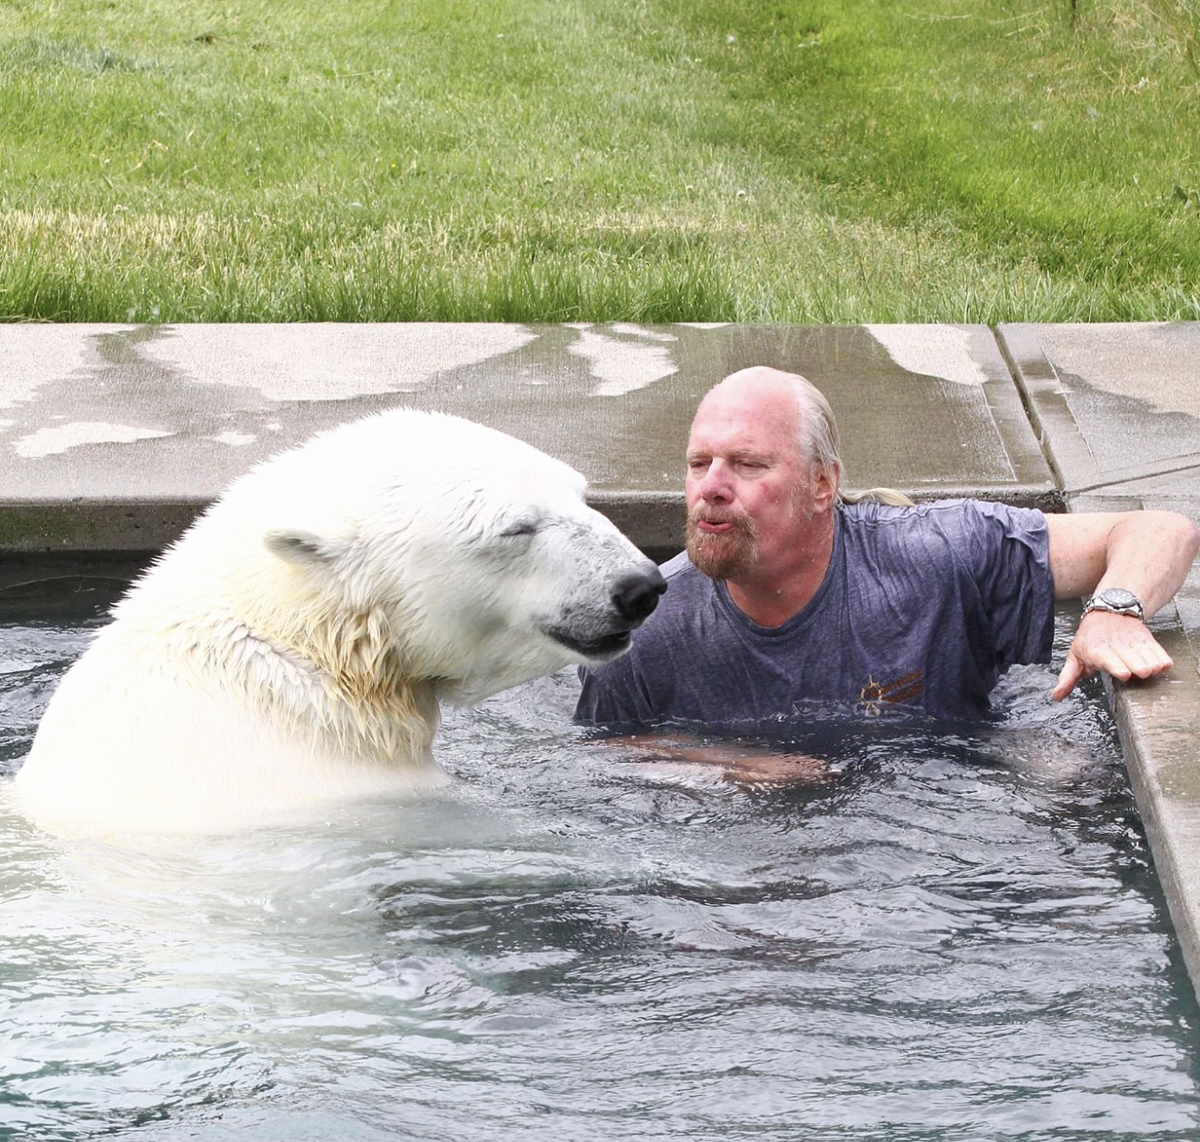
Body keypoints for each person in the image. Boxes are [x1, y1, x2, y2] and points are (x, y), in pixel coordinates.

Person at [575, 366, 1199, 741]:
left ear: (822, 484)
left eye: (747, 464)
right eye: (698, 463)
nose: (711, 485)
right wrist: (723, 765)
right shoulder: (645, 633)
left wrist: (1115, 608)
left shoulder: (938, 555)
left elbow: (1161, 530)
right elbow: (596, 772)